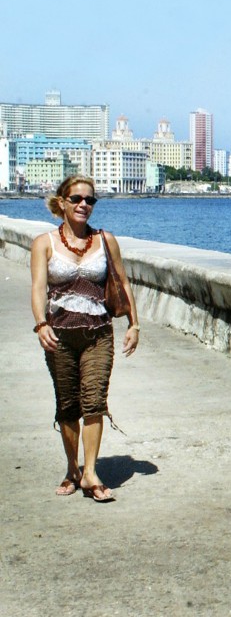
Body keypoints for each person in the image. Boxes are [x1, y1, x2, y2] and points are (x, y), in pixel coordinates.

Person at [30, 174, 140, 503]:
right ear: (62, 202)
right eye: (77, 199)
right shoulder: (44, 243)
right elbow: (37, 288)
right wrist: (40, 324)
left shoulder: (106, 240)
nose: (83, 205)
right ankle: (71, 469)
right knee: (67, 405)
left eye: (90, 200)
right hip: (59, 334)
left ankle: (90, 471)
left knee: (93, 401)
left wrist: (135, 324)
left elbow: (122, 281)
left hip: (98, 333)